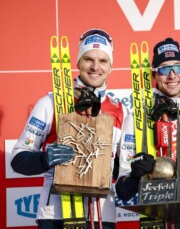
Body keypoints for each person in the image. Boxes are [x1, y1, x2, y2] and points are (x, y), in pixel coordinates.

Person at [10, 28, 128, 229]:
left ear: (110, 67)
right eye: (88, 59)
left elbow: (121, 170)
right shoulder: (50, 102)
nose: (95, 67)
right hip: (56, 213)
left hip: (102, 216)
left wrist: (134, 170)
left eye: (103, 61)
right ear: (78, 62)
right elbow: (18, 159)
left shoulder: (121, 110)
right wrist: (45, 159)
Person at [116, 38, 180, 229]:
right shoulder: (138, 116)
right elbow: (122, 189)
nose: (172, 75)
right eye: (164, 69)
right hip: (155, 216)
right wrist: (135, 175)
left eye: (178, 68)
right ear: (154, 75)